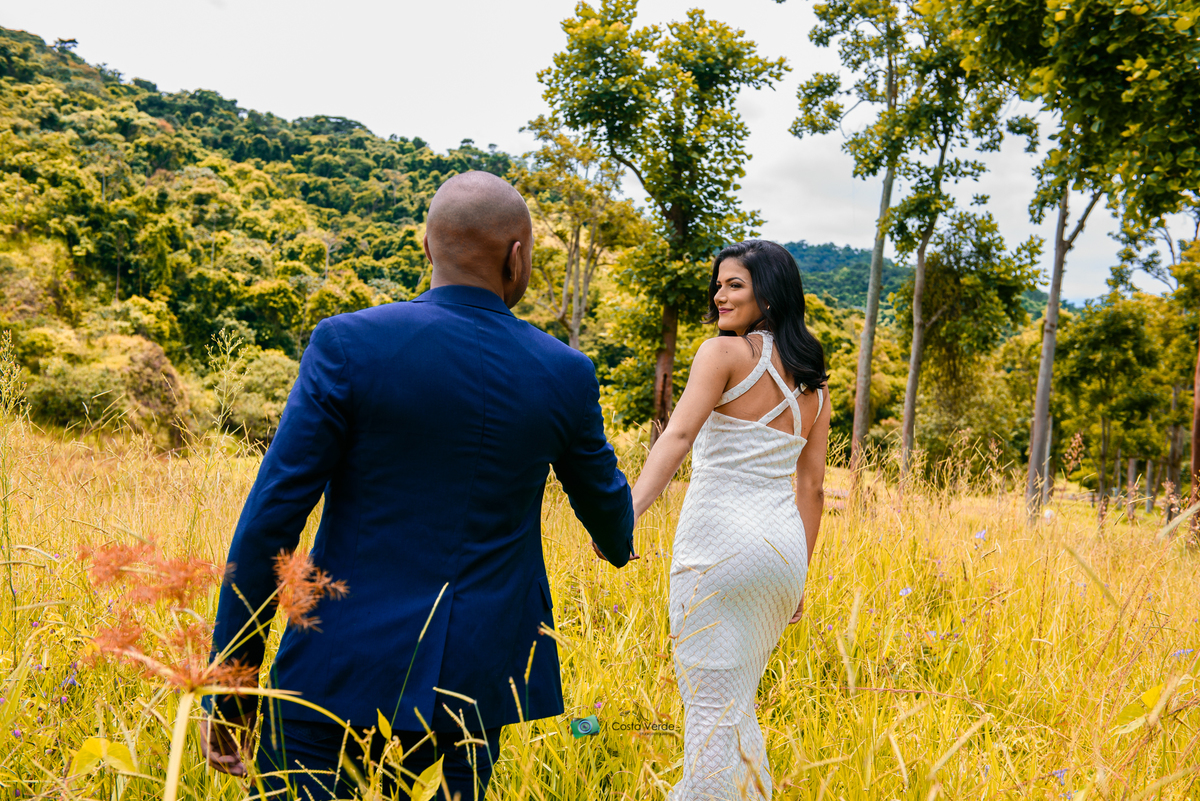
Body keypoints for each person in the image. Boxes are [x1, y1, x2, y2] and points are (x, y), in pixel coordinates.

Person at [200, 171, 637, 800]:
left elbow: (272, 518)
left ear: (427, 247)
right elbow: (608, 508)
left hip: (335, 668)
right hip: (475, 687)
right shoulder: (565, 372)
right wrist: (617, 541)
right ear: (517, 257)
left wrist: (233, 682)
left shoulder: (347, 344)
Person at [631, 240, 830, 800]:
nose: (720, 295)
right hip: (782, 556)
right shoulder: (814, 382)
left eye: (734, 285)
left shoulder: (722, 353)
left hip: (718, 545)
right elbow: (812, 489)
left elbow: (677, 435)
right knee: (734, 704)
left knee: (710, 707)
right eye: (718, 285)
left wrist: (627, 513)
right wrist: (799, 577)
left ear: (769, 293)